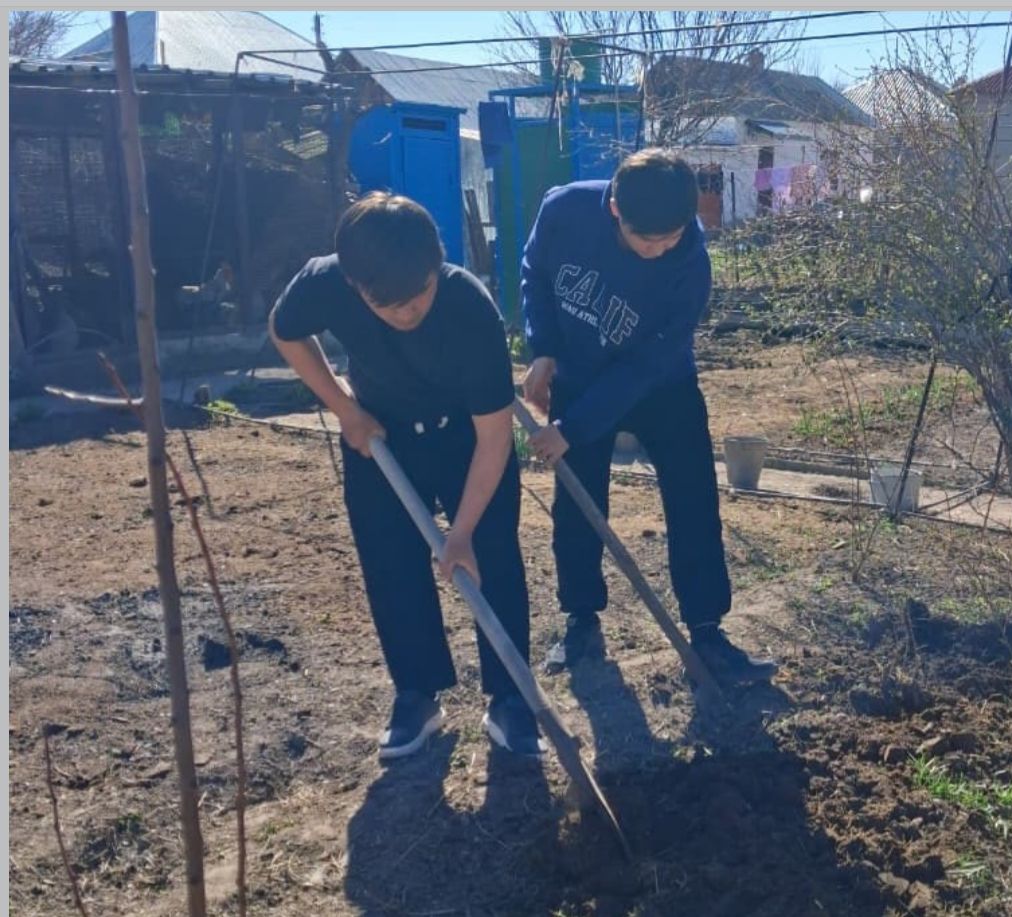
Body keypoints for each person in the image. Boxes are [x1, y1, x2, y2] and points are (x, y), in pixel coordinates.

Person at [269, 192, 543, 760]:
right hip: (382, 433)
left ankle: (511, 699)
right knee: (390, 560)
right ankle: (416, 694)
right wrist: (344, 408)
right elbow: (285, 331)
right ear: (354, 285)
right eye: (387, 304)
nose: (407, 311)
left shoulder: (469, 308)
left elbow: (494, 438)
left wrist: (461, 533)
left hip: (465, 437)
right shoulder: (325, 281)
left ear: (436, 261)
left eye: (419, 293)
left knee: (492, 554)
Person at [520, 149, 778, 685]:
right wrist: (543, 347)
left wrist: (573, 429)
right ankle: (582, 620)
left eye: (672, 238)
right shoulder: (563, 211)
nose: (660, 251)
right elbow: (535, 272)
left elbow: (645, 366)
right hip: (581, 372)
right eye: (647, 241)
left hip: (662, 383)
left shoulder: (690, 265)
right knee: (578, 502)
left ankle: (707, 632)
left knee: (693, 499)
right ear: (615, 208)